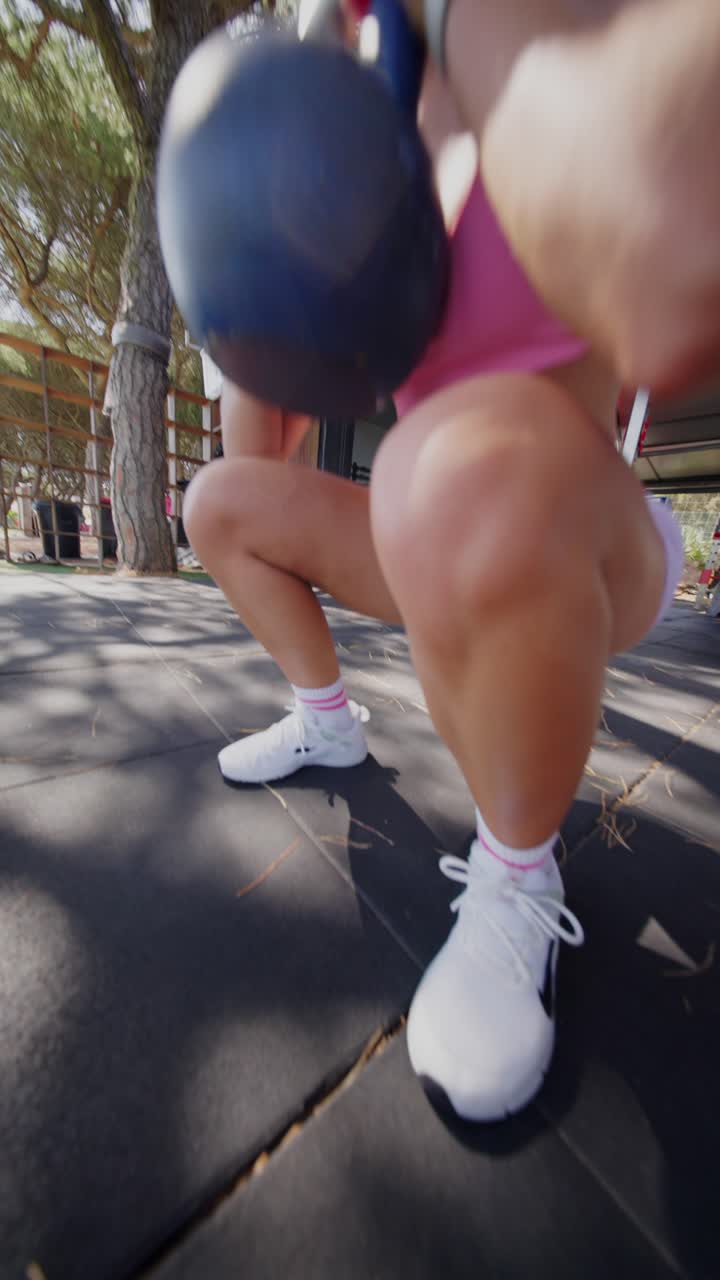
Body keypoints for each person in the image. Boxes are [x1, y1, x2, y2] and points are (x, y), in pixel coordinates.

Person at [183, 0, 692, 1122]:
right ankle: (326, 718)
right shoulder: (362, 95)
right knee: (222, 502)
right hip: (440, 515)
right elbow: (266, 453)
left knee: (438, 473)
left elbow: (677, 281)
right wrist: (257, 302)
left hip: (578, 521)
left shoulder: (529, 26)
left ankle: (520, 868)